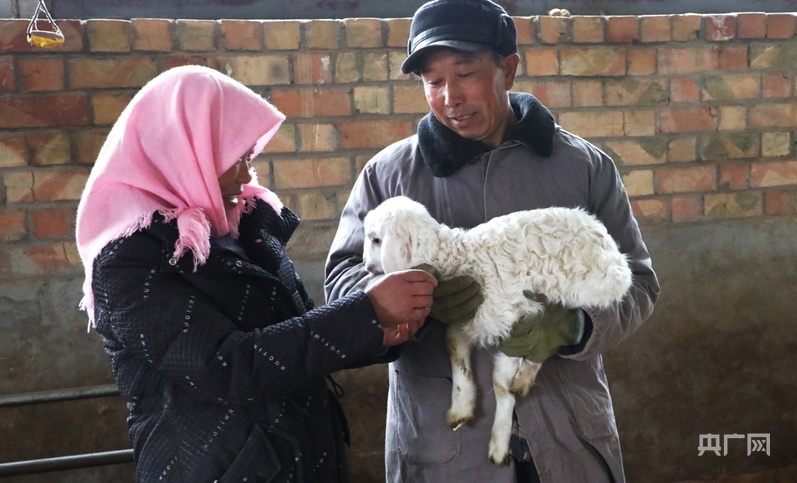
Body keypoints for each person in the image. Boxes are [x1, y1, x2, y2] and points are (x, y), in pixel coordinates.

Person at [324, 0, 660, 482]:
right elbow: (342, 282)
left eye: (465, 74)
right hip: (446, 451)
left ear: (508, 69)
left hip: (566, 440)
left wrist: (575, 327)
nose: (450, 97)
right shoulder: (389, 175)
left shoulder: (583, 167)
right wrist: (413, 300)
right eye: (433, 82)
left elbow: (638, 282)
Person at [75, 65, 437, 482]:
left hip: (302, 460)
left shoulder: (244, 228)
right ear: (184, 152)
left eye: (248, 157)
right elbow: (226, 368)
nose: (246, 175)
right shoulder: (126, 261)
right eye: (232, 159)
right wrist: (366, 312)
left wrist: (381, 331)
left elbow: (295, 334)